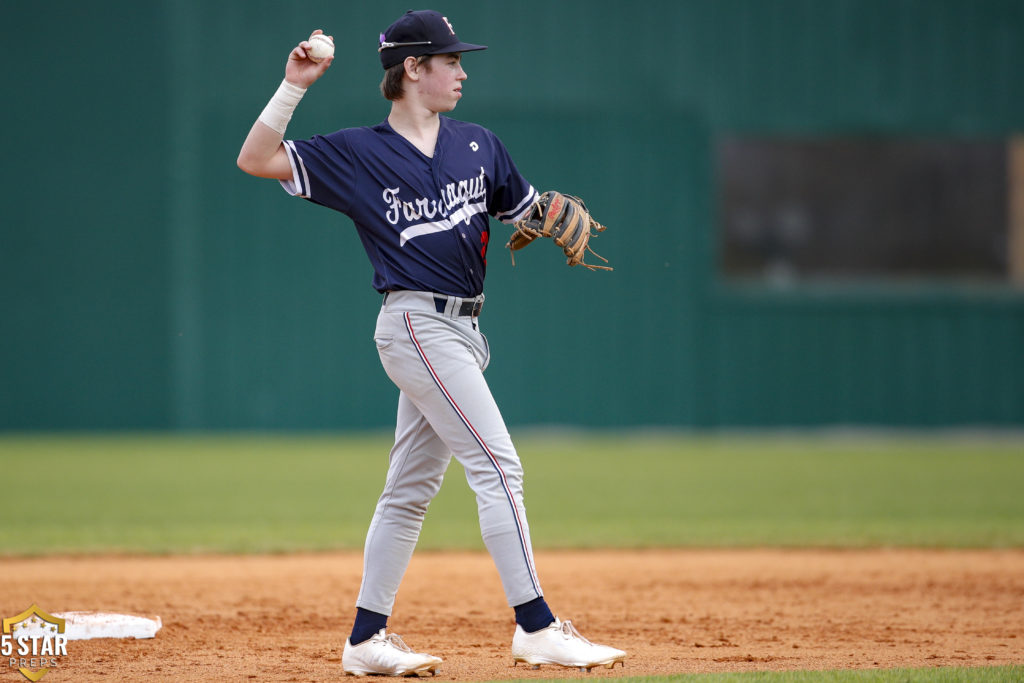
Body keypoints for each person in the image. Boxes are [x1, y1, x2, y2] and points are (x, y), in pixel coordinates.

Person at [237, 9, 626, 676]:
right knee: (499, 468)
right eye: (449, 60)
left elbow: (521, 210)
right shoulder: (359, 153)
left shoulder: (478, 144)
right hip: (415, 323)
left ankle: (365, 639)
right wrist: (294, 84)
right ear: (412, 69)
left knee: (409, 490)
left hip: (465, 331)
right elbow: (256, 159)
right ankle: (536, 625)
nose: (462, 70)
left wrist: (548, 216)